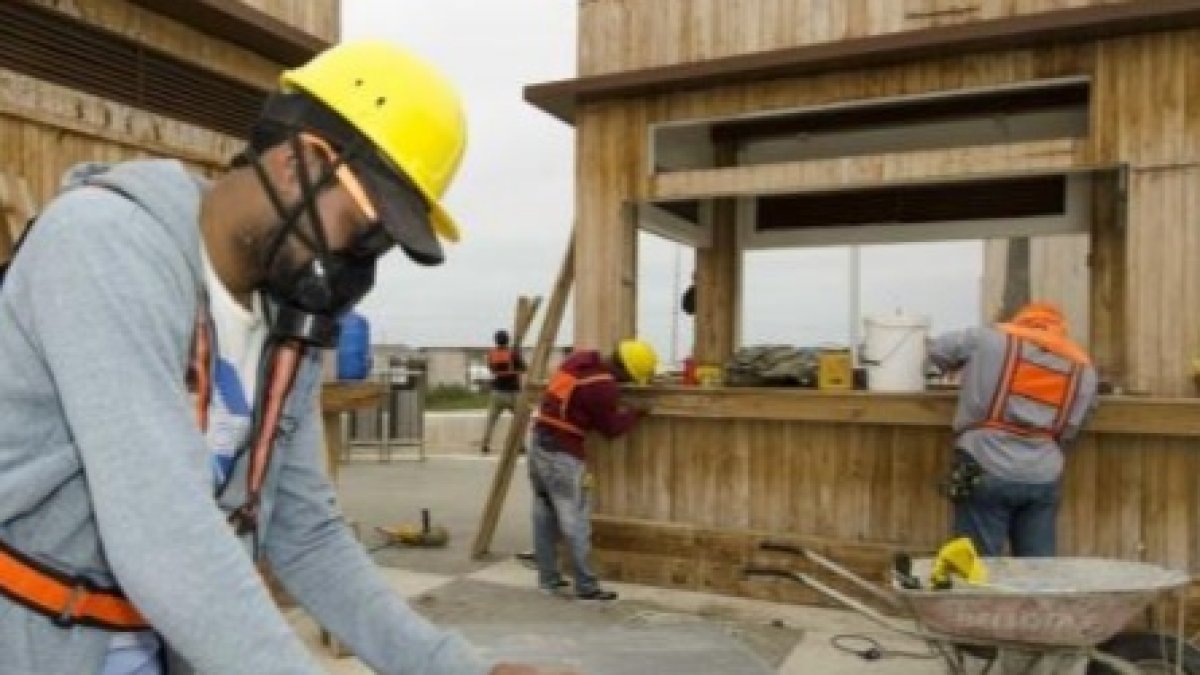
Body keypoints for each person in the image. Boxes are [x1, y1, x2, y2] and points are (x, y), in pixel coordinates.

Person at [0, 40, 572, 675]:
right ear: (300, 164)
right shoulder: (104, 246)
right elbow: (166, 538)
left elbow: (306, 535)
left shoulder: (286, 322)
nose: (364, 262)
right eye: (368, 229)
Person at [927, 302, 1098, 557]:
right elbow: (1073, 426)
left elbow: (937, 351)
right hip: (1043, 475)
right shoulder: (1083, 370)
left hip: (985, 463)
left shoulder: (988, 340)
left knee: (977, 568)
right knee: (1036, 572)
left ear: (1020, 323)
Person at [528, 340, 657, 600]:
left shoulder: (578, 362)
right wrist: (636, 414)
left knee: (544, 514)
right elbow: (611, 429)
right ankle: (586, 587)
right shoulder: (603, 386)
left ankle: (548, 579)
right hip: (562, 455)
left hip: (537, 444)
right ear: (626, 371)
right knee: (575, 520)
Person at [480, 329, 525, 454]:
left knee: (491, 421)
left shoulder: (491, 354)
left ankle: (485, 444)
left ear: (496, 341)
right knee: (519, 420)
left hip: (497, 392)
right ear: (507, 339)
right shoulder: (513, 353)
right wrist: (517, 356)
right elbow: (524, 369)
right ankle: (520, 445)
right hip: (513, 392)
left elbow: (491, 369)